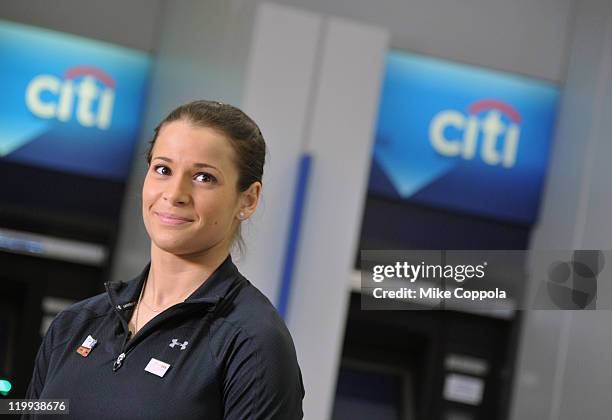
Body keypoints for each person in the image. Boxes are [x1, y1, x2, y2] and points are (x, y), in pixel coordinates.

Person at [23, 100, 305, 419]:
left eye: (203, 177)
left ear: (248, 199)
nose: (175, 193)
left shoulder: (252, 343)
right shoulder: (74, 324)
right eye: (163, 169)